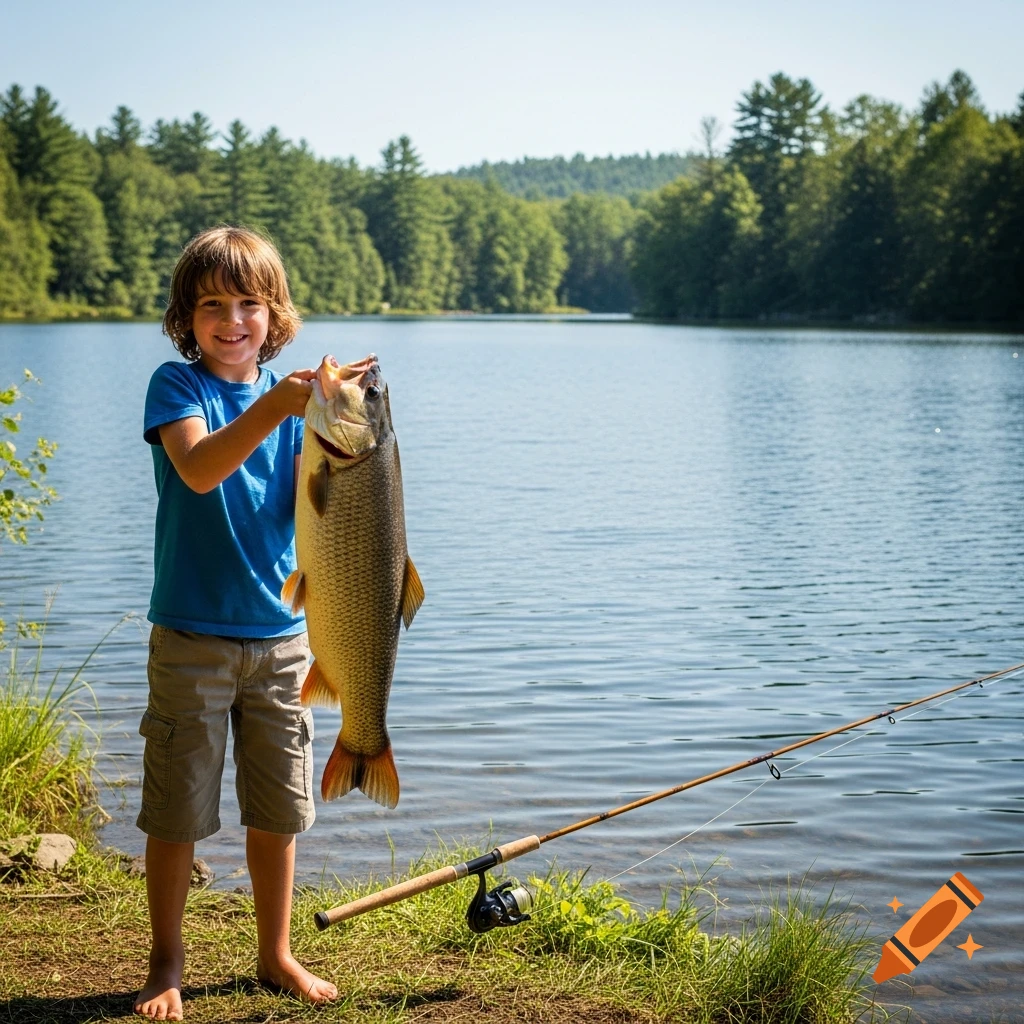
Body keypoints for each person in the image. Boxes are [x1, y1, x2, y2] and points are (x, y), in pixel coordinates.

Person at [134, 226, 337, 1020]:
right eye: (212, 304)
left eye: (249, 303)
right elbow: (199, 468)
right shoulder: (176, 388)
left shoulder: (297, 405)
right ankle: (165, 960)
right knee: (177, 808)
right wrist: (279, 406)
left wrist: (344, 435)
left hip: (284, 640)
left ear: (273, 312)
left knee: (278, 809)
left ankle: (275, 953)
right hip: (191, 637)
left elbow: (310, 504)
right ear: (188, 316)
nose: (232, 320)